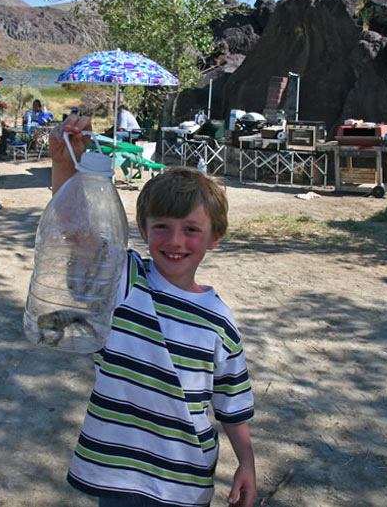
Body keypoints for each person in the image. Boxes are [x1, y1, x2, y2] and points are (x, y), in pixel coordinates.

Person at [49, 114, 257, 507]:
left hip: (183, 481)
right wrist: (65, 164)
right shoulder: (124, 280)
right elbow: (76, 232)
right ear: (142, 231)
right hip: (117, 471)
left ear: (215, 237)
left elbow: (233, 402)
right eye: (161, 226)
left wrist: (246, 462)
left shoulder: (220, 322)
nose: (175, 240)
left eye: (191, 229)